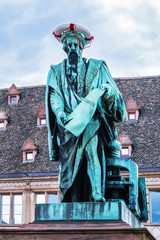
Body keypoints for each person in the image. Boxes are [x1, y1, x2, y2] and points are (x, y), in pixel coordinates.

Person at [46, 24, 126, 202]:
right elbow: (55, 96)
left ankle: (97, 192)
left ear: (82, 47)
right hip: (68, 126)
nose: (73, 49)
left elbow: (114, 94)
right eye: (69, 45)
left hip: (91, 121)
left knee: (91, 152)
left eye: (76, 45)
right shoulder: (56, 71)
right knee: (67, 171)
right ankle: (71, 198)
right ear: (65, 48)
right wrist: (59, 113)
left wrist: (107, 91)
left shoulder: (97, 68)